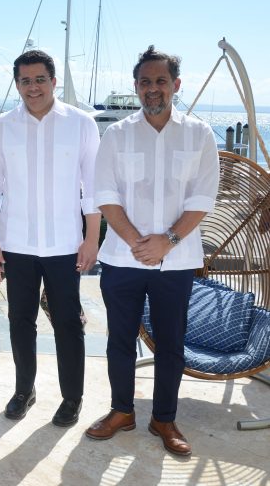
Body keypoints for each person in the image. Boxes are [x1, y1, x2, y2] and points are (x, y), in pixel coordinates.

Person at [85, 46, 219, 457]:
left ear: (176, 85)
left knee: (171, 343)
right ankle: (121, 411)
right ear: (136, 86)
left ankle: (164, 418)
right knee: (119, 341)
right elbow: (105, 194)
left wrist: (167, 241)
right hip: (122, 259)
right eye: (145, 82)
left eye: (161, 81)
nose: (152, 88)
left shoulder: (199, 134)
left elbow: (203, 198)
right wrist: (136, 242)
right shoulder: (117, 134)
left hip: (177, 261)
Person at [0, 49, 100, 426]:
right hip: (16, 242)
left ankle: (72, 398)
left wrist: (91, 238)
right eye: (25, 81)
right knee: (20, 321)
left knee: (68, 323)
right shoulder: (2, 126)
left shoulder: (81, 123)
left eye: (40, 80)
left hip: (65, 244)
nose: (33, 87)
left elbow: (93, 187)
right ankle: (23, 390)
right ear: (17, 84)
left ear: (53, 81)